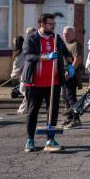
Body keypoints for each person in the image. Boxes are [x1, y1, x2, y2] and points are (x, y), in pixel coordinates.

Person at [20, 14, 72, 153]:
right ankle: (30, 139)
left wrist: (70, 63)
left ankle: (50, 139)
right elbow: (28, 56)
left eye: (54, 23)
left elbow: (67, 52)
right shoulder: (31, 38)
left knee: (52, 112)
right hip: (34, 83)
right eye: (50, 24)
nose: (53, 26)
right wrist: (45, 57)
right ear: (42, 24)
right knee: (33, 111)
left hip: (53, 83)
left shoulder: (56, 38)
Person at [61, 26, 83, 128]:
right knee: (65, 96)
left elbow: (77, 60)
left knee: (71, 97)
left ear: (73, 34)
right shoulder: (66, 44)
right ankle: (69, 117)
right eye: (64, 34)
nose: (65, 36)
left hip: (71, 74)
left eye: (67, 34)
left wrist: (69, 73)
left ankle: (76, 119)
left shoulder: (76, 44)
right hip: (64, 73)